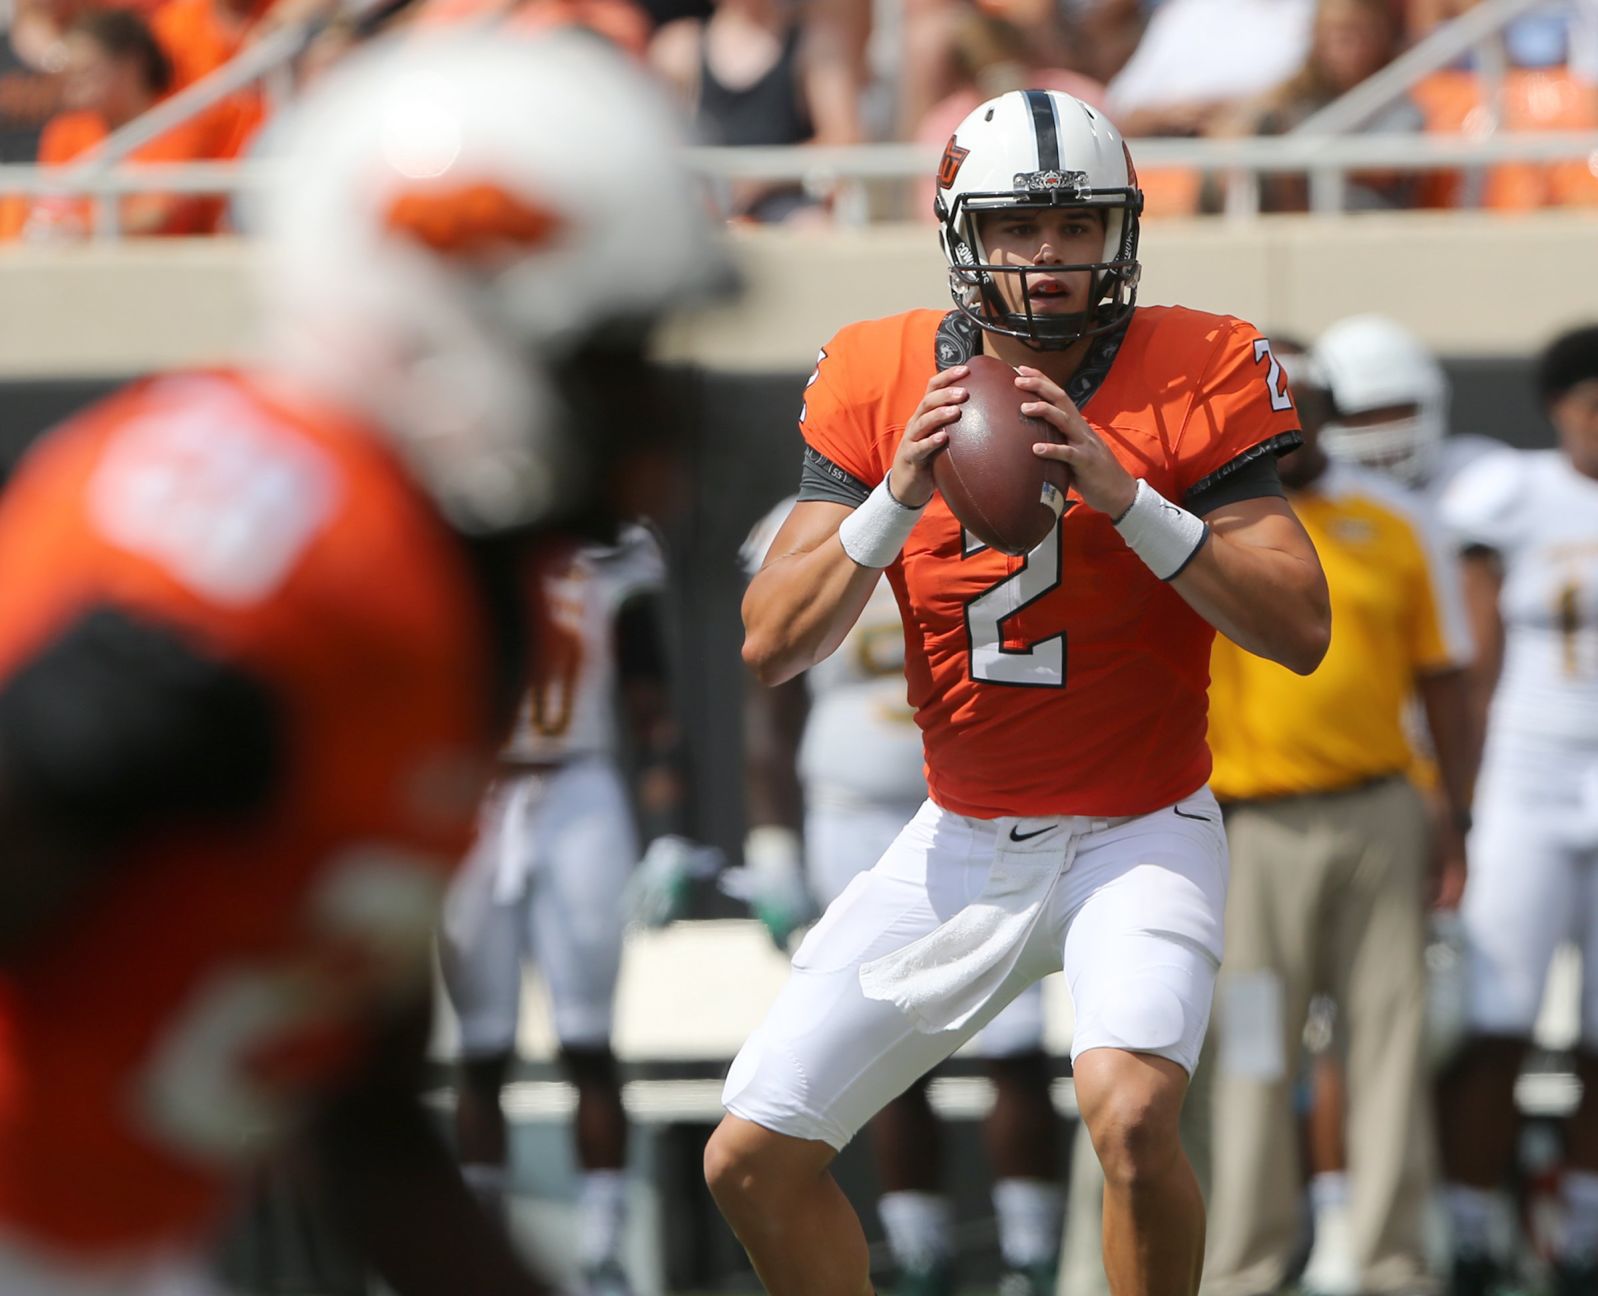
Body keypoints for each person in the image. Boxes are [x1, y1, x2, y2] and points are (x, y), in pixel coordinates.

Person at [0, 29, 728, 1296]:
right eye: (609, 354)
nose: (650, 408)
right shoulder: (273, 551)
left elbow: (361, 1110)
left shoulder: (475, 603)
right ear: (452, 327)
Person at [702, 87, 1331, 1296]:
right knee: (751, 1161)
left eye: (1077, 226)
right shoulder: (876, 370)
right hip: (961, 837)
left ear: (1120, 231)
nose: (1048, 258)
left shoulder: (1197, 363)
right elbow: (771, 643)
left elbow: (1298, 626)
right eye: (1017, 229)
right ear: (958, 233)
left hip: (1140, 827)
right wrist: (892, 496)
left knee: (1134, 1119)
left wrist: (1127, 495)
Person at [1200, 345, 1474, 1296]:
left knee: (1389, 1044)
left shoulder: (1396, 521)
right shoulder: (1203, 519)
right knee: (1252, 1051)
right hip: (1250, 827)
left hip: (1378, 810)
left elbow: (1446, 682)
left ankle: (1395, 1264)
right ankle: (1246, 1266)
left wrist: (1458, 820)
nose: (1290, 423)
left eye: (1303, 403)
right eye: (1272, 407)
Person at [741, 497, 1065, 1296]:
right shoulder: (804, 518)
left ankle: (1031, 1250)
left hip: (985, 797)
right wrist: (771, 841)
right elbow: (773, 696)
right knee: (880, 1039)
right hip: (854, 808)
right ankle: (918, 1250)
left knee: (1015, 1046)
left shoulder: (993, 485)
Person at [438, 524, 684, 1296]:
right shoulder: (449, 542)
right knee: (482, 1045)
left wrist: (667, 834)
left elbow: (652, 704)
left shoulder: (607, 553)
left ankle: (603, 1249)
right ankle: (478, 1248)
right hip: (475, 792)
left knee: (588, 1038)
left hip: (578, 789)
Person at [1435, 324, 1598, 1296]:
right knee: (1495, 1016)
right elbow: (1474, 650)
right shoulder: (1511, 492)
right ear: (1556, 408)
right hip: (1526, 775)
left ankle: (1579, 1232)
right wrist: (1460, 793)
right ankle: (1463, 1225)